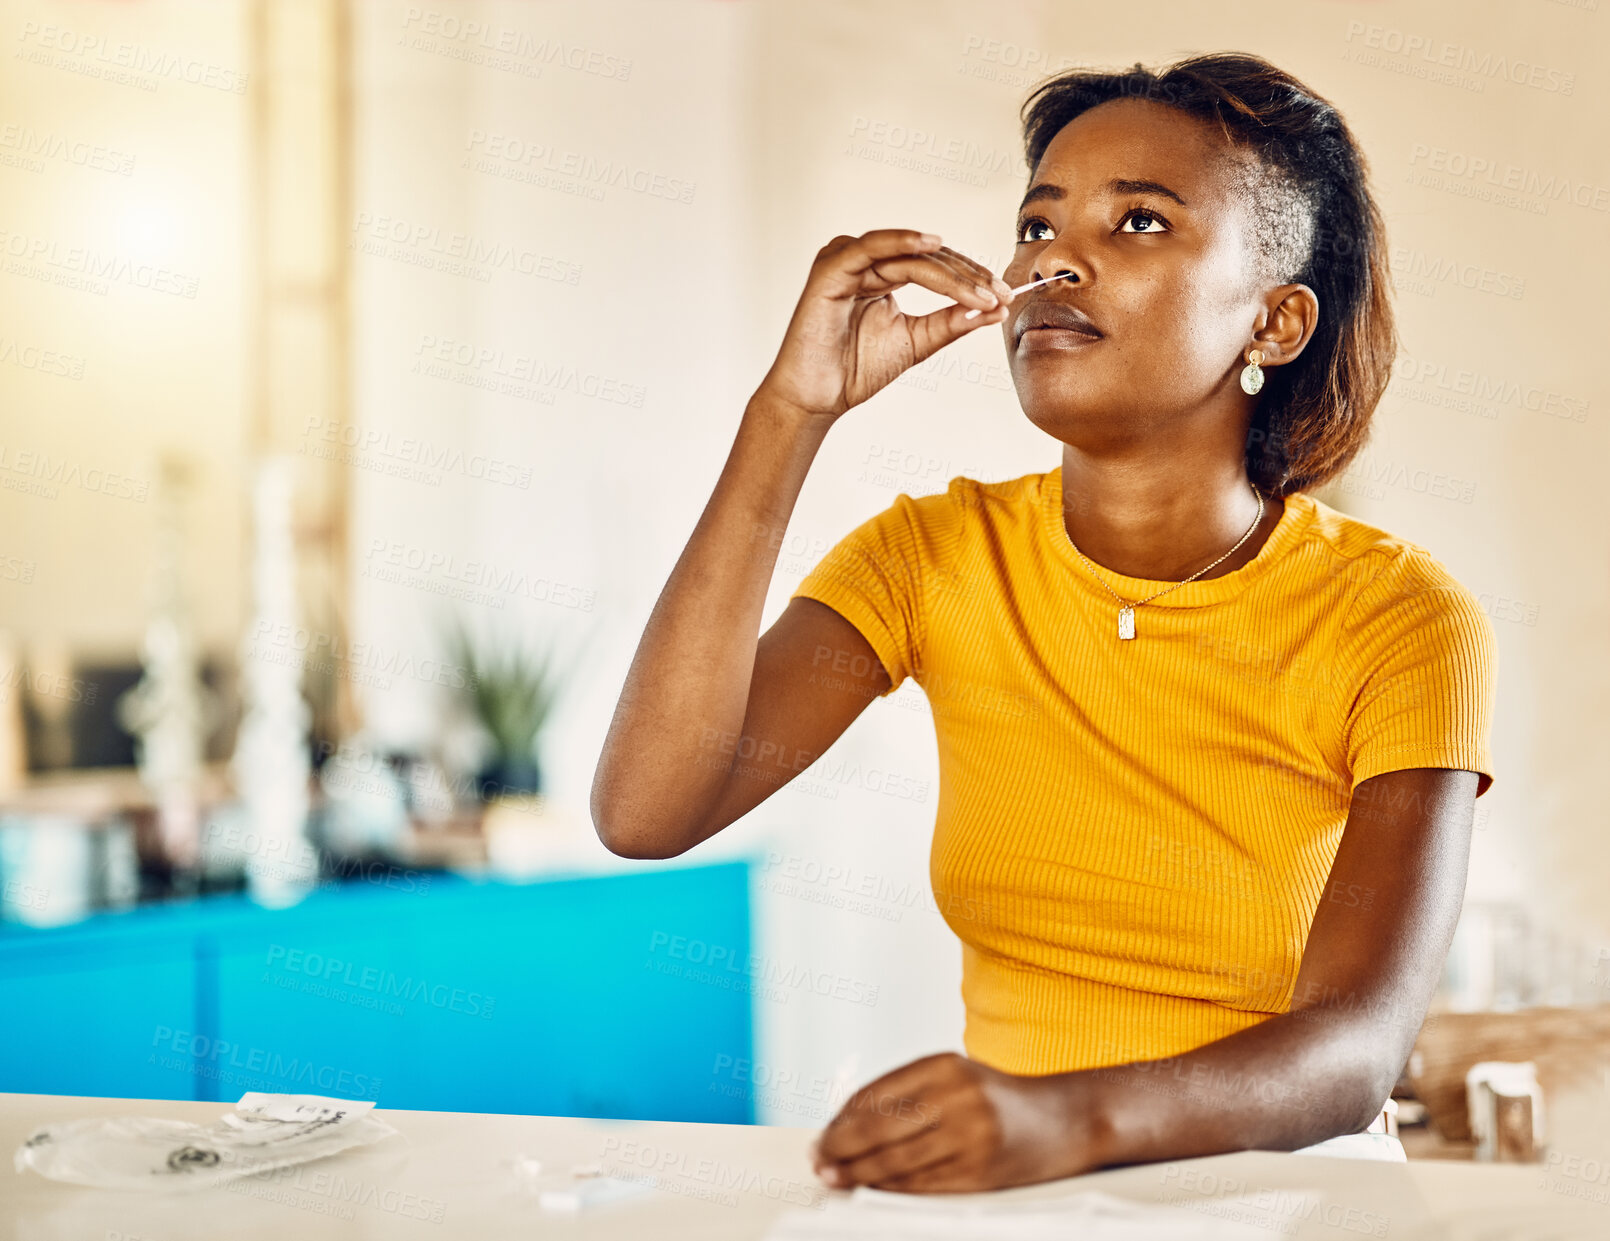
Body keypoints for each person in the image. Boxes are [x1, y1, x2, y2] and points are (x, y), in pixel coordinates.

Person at [590, 51, 1496, 1192]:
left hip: (1290, 1204)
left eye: (1140, 224)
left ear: (1273, 323)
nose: (1052, 258)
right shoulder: (932, 556)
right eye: (1037, 221)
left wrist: (1059, 1120)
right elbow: (645, 809)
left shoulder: (1401, 617)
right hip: (1017, 1199)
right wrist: (790, 411)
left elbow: (1352, 1055)